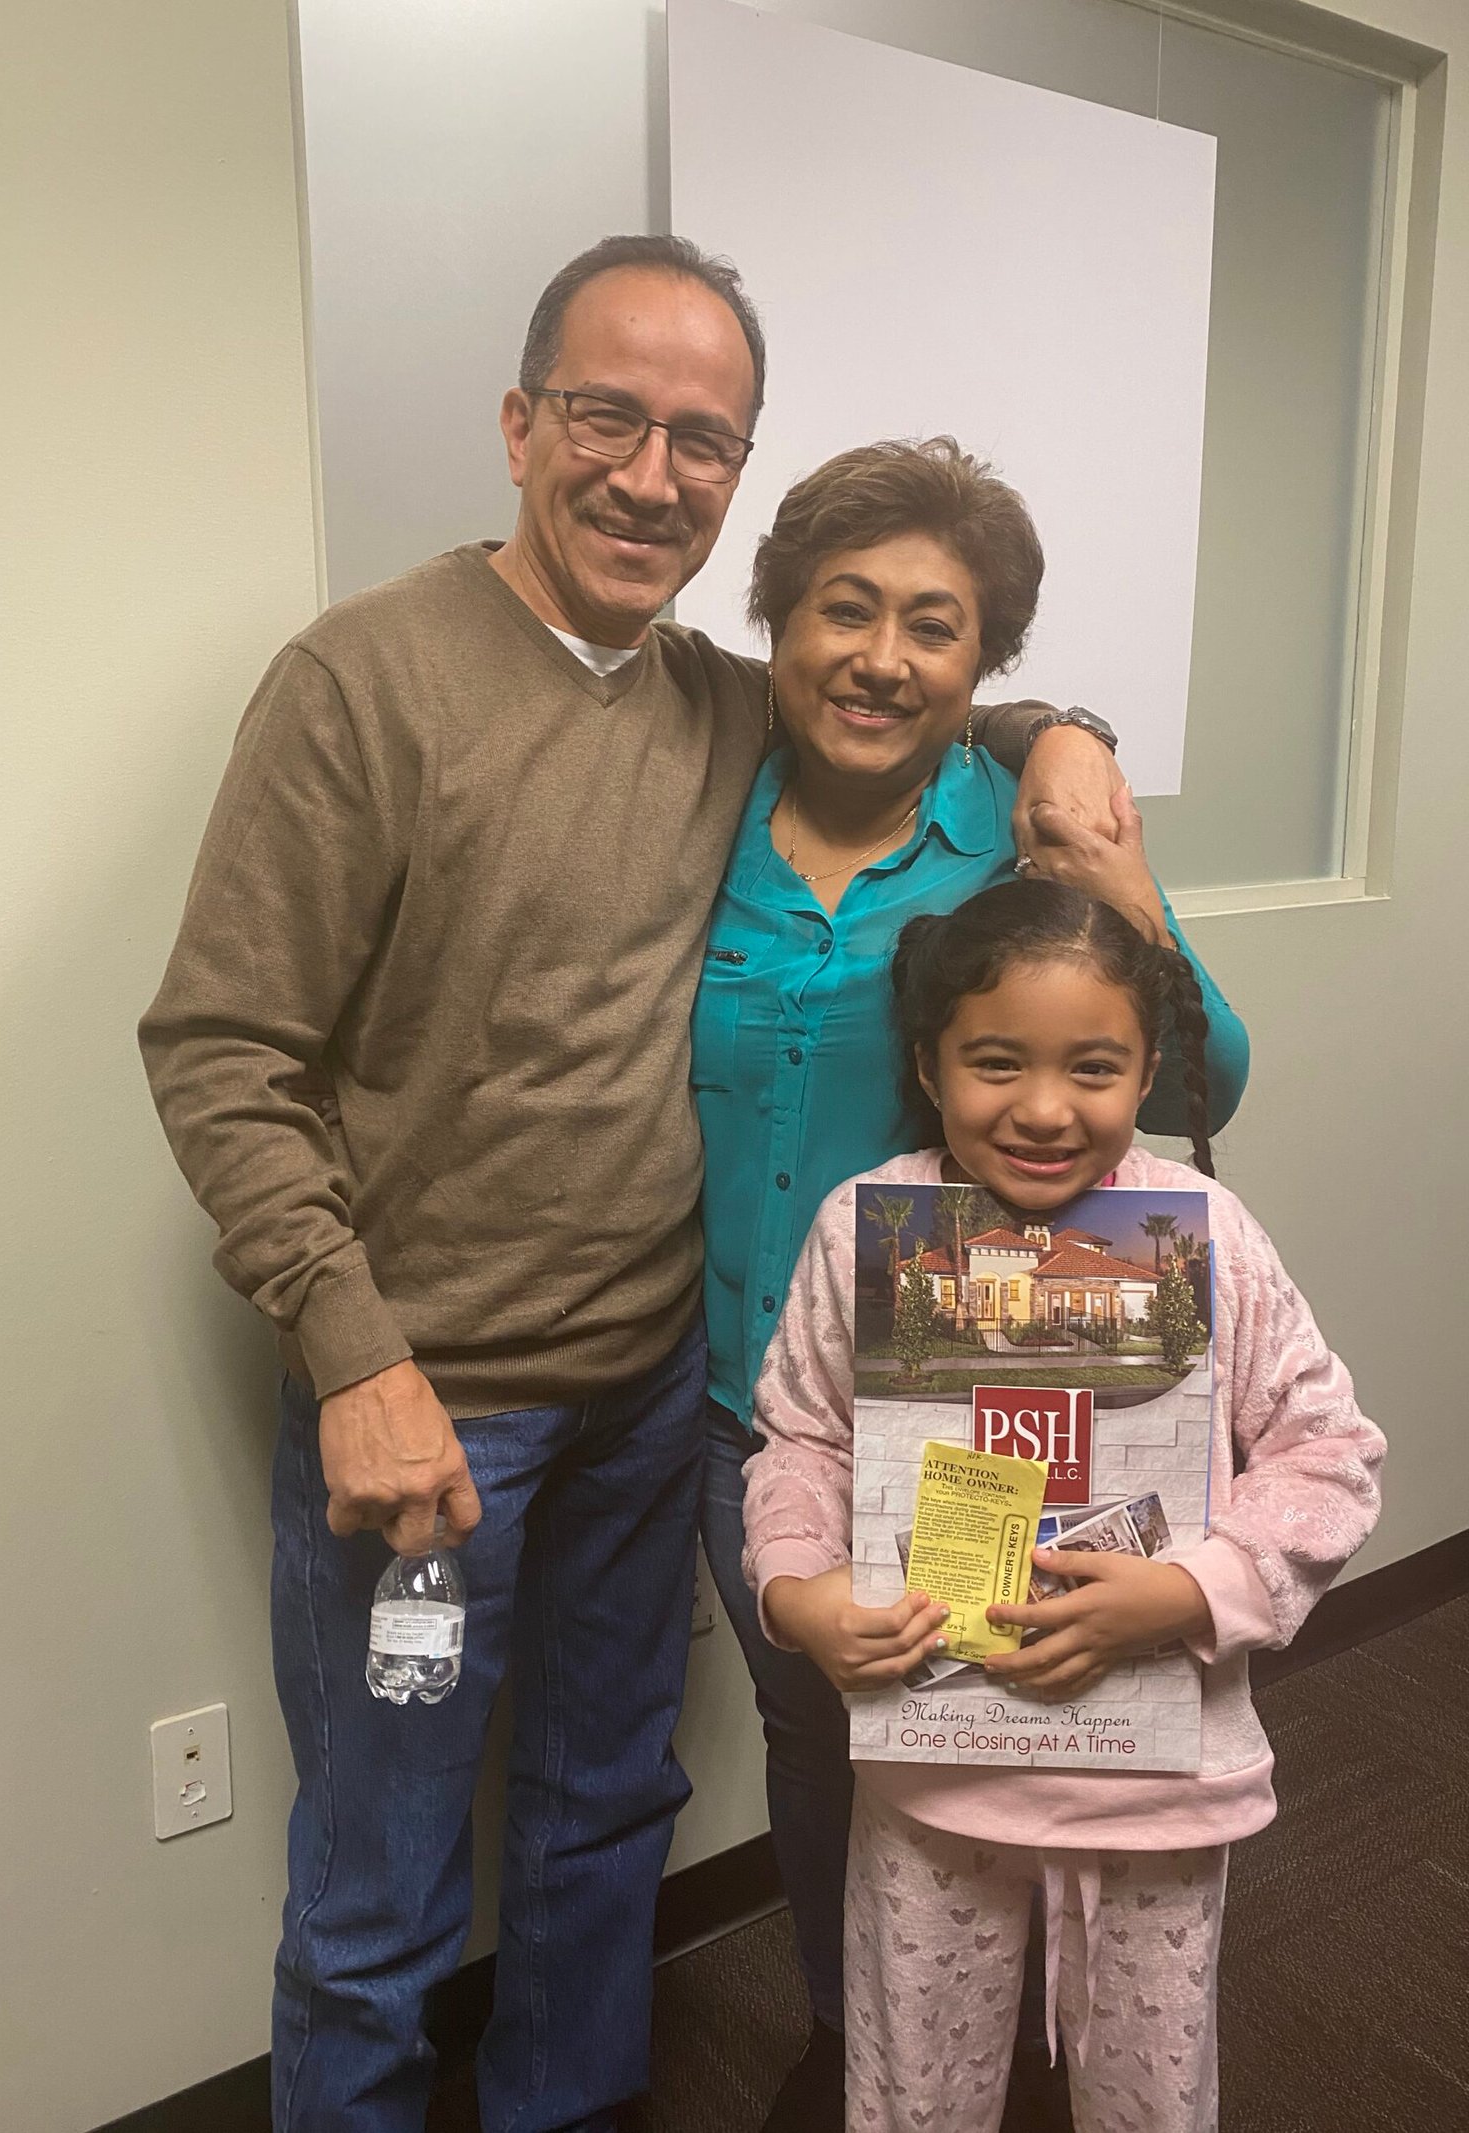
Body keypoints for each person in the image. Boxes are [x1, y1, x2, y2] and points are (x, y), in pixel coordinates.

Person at [137, 236, 1121, 2133]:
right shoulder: (363, 679)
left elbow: (913, 687)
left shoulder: (716, 705)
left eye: (703, 439)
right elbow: (219, 1048)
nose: (651, 474)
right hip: (428, 1407)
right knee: (382, 1876)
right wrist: (355, 1354)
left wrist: (1059, 732)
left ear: (737, 472)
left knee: (601, 1818)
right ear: (522, 423)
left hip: (651, 1406)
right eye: (608, 417)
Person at [693, 438, 1249, 2129]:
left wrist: (1108, 840)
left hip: (975, 1390)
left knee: (1014, 1705)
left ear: (982, 660)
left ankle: (1033, 2044)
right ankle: (859, 2025)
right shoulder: (702, 803)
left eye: (933, 626)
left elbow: (1205, 1075)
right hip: (747, 1387)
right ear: (780, 622)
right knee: (822, 1730)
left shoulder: (1022, 830)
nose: (881, 656)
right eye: (843, 609)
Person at [742, 877, 1384, 2133]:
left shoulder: (1205, 1232)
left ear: (1146, 1073)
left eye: (1092, 1067)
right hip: (937, 1774)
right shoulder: (863, 1230)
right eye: (995, 1062)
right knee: (914, 2085)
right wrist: (797, 1589)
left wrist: (1192, 1590)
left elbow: (1327, 1454)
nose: (1043, 1109)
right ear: (927, 1065)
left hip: (1155, 1778)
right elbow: (803, 1436)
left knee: (1150, 2090)